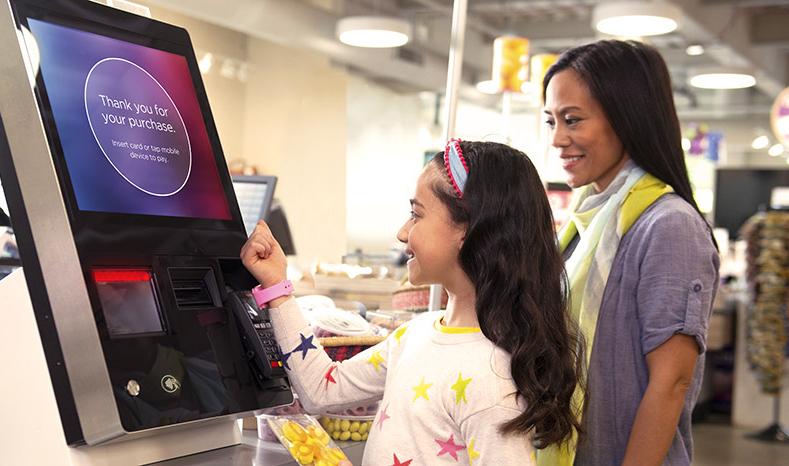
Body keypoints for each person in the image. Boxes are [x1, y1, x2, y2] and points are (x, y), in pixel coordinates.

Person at [241, 140, 583, 465]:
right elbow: (321, 390)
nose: (403, 232)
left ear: (467, 228)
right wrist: (277, 287)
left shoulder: (492, 383)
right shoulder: (415, 334)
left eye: (417, 215)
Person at [539, 40, 720, 466]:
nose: (558, 139)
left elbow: (672, 381)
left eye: (573, 120)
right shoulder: (584, 221)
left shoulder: (668, 225)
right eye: (551, 121)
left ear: (627, 117)